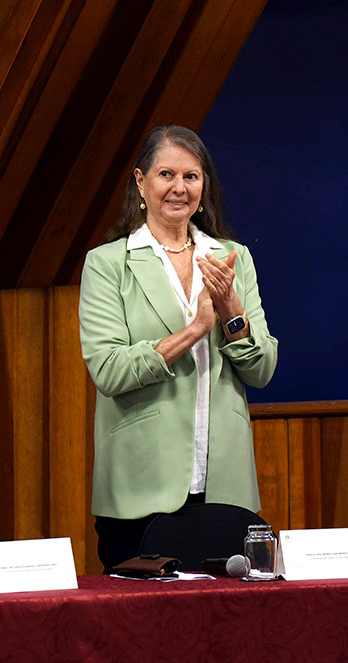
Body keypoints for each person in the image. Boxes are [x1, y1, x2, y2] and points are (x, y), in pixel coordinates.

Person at [79, 125, 278, 572]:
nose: (179, 188)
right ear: (140, 182)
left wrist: (229, 309)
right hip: (139, 489)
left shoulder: (232, 257)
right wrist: (193, 331)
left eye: (191, 176)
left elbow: (262, 369)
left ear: (204, 186)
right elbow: (109, 370)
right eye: (166, 174)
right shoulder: (109, 262)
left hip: (224, 485)